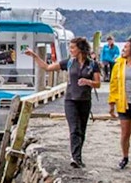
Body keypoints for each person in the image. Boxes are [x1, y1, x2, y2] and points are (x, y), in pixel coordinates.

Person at [25, 37, 101, 168]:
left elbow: (98, 84)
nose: (70, 50)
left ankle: (78, 156)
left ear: (80, 49)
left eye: (73, 48)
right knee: (74, 129)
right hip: (70, 100)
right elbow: (47, 67)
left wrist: (88, 82)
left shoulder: (93, 65)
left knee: (82, 130)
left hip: (85, 100)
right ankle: (75, 158)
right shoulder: (69, 62)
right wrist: (34, 56)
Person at [107, 37, 131, 174]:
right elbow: (113, 84)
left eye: (126, 47)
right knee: (125, 134)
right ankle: (125, 157)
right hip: (123, 102)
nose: (123, 49)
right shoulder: (119, 64)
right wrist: (111, 103)